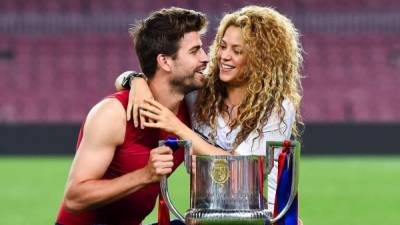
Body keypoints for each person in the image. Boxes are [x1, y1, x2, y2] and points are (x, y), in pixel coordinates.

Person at [117, 5, 303, 223]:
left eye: (237, 51)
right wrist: (136, 80)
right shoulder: (204, 90)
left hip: (261, 216)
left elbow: (240, 169)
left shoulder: (277, 106)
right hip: (209, 214)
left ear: (261, 59)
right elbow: (138, 77)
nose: (224, 55)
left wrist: (177, 128)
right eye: (223, 46)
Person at [55, 7, 208, 225]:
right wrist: (145, 175)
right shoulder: (112, 113)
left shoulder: (187, 106)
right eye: (195, 51)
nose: (206, 58)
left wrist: (133, 78)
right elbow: (74, 198)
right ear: (165, 61)